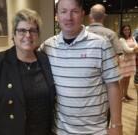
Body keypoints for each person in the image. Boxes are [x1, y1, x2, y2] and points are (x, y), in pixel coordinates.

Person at [40, 0, 122, 134]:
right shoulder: (47, 47)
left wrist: (117, 125)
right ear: (57, 16)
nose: (68, 17)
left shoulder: (101, 44)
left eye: (74, 11)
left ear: (83, 14)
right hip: (60, 130)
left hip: (95, 130)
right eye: (63, 11)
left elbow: (113, 85)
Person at [0, 9, 56, 135]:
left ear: (38, 34)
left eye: (33, 30)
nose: (28, 35)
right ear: (14, 34)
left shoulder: (45, 60)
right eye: (22, 30)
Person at [119, 25, 138, 102]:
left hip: (131, 60)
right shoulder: (121, 39)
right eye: (125, 30)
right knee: (123, 80)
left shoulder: (133, 38)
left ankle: (125, 94)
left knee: (128, 78)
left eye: (128, 29)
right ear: (122, 31)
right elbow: (127, 50)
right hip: (125, 61)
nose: (127, 31)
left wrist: (134, 49)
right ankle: (121, 96)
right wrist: (135, 49)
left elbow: (137, 46)